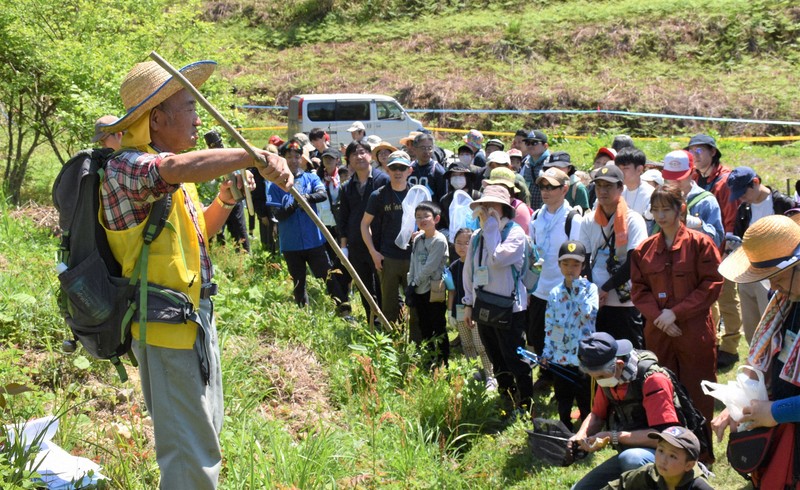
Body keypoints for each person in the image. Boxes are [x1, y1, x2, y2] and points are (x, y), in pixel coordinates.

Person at [97, 59, 292, 489]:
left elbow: (196, 233)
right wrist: (252, 156)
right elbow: (172, 169)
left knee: (204, 436)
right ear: (158, 119)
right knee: (190, 455)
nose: (198, 116)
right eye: (190, 106)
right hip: (164, 328)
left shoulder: (172, 175)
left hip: (194, 322)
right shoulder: (128, 166)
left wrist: (223, 200)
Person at [711, 213, 800, 488]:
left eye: (777, 277)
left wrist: (776, 411)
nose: (772, 287)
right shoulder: (785, 301)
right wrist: (740, 400)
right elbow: (766, 359)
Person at [630, 184, 723, 440]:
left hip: (693, 331)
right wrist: (660, 318)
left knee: (698, 390)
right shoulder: (644, 250)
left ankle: (701, 451)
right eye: (655, 210)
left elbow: (712, 284)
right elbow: (638, 289)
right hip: (658, 331)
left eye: (666, 209)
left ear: (680, 209)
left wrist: (676, 313)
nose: (661, 216)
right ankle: (667, 445)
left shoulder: (700, 244)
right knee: (662, 390)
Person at [569, 333, 681, 489]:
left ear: (619, 365)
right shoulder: (609, 378)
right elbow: (596, 415)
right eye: (594, 377)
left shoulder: (653, 380)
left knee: (632, 458)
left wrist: (613, 436)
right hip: (630, 453)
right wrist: (580, 436)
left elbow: (663, 437)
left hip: (665, 456)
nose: (599, 381)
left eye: (601, 376)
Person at [463, 185, 533, 416]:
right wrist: (468, 303)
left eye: (492, 205)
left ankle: (525, 402)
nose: (486, 210)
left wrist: (492, 227)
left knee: (514, 356)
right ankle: (507, 395)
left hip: (510, 307)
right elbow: (469, 272)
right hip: (484, 305)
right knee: (494, 354)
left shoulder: (514, 233)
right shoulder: (477, 236)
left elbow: (498, 259)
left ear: (503, 208)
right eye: (484, 205)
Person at [268, 139, 349, 313]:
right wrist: (295, 205)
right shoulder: (274, 184)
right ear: (283, 159)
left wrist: (306, 198)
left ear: (302, 159)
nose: (293, 160)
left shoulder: (310, 178)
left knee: (327, 275)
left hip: (314, 241)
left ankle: (343, 308)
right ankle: (303, 314)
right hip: (291, 244)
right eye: (289, 157)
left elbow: (321, 194)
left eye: (297, 157)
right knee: (299, 281)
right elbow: (277, 214)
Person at [686, 133, 742, 369]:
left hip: (723, 249)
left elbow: (729, 220)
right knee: (709, 300)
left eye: (700, 151)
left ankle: (730, 346)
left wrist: (726, 252)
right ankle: (714, 341)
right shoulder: (695, 178)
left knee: (727, 298)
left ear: (713, 152)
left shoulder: (725, 180)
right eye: (692, 151)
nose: (695, 156)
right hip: (701, 251)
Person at [728, 166, 798, 345]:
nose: (742, 198)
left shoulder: (783, 203)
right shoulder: (744, 209)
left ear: (756, 182)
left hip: (777, 274)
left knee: (773, 322)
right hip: (750, 270)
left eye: (743, 192)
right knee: (752, 324)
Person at [580, 164, 648, 348]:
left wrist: (605, 288)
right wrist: (594, 290)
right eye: (599, 185)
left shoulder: (634, 220)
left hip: (624, 301)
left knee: (628, 355)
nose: (602, 191)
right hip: (596, 301)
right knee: (597, 356)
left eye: (608, 186)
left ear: (620, 188)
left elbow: (634, 262)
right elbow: (584, 260)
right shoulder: (588, 220)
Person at [528, 167, 583, 386]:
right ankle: (545, 371)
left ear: (565, 189)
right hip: (539, 286)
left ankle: (559, 376)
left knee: (560, 333)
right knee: (538, 333)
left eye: (552, 187)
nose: (546, 191)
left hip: (562, 287)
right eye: (543, 186)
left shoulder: (573, 218)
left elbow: (579, 256)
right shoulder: (537, 215)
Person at [543, 240, 597, 430]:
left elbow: (588, 314)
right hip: (560, 357)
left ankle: (587, 432)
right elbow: (550, 326)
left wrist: (578, 290)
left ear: (583, 266)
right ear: (559, 265)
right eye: (565, 264)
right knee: (563, 396)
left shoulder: (590, 289)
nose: (570, 269)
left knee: (585, 398)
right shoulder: (555, 293)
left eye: (575, 264)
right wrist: (547, 352)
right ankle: (564, 428)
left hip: (583, 357)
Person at [337, 140, 389, 321]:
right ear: (348, 160)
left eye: (362, 152)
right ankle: (371, 321)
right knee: (364, 286)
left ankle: (388, 322)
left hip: (379, 243)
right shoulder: (346, 187)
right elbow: (343, 218)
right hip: (357, 244)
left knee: (383, 285)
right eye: (354, 154)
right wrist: (344, 247)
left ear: (370, 155)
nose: (359, 157)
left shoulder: (383, 181)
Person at [362, 151, 414, 330]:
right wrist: (373, 253)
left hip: (414, 258)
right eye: (393, 167)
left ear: (410, 170)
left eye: (402, 167)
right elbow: (364, 225)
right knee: (389, 306)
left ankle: (415, 344)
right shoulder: (378, 195)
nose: (397, 171)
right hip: (388, 257)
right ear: (387, 169)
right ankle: (390, 343)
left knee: (415, 305)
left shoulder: (417, 194)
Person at [448, 227, 495, 389]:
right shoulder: (454, 267)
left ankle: (491, 375)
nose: (462, 247)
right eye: (458, 243)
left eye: (467, 243)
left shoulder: (479, 264)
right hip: (459, 310)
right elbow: (452, 291)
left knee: (480, 344)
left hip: (476, 311)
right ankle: (474, 371)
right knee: (467, 344)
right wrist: (450, 312)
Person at [603, 426, 714, 490]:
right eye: (660, 451)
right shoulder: (648, 474)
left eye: (672, 456)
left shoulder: (698, 487)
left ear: (689, 465)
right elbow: (618, 486)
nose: (663, 460)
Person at [407, 201, 450, 367]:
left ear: (436, 219)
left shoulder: (439, 240)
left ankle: (442, 360)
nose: (422, 219)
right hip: (417, 289)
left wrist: (414, 283)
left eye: (426, 216)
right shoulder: (418, 239)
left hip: (433, 289)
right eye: (418, 217)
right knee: (423, 324)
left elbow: (430, 267)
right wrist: (410, 282)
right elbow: (413, 263)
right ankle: (429, 357)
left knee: (438, 325)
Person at [661, 150, 724, 248]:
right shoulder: (659, 197)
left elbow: (717, 241)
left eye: (681, 177)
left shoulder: (706, 201)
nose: (675, 181)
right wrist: (648, 219)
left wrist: (699, 225)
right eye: (671, 177)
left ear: (693, 172)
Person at [483, 165, 532, 234]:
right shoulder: (487, 204)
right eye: (494, 185)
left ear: (510, 189)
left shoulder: (519, 209)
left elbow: (516, 239)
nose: (497, 189)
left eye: (501, 186)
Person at [616, 147, 653, 228]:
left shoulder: (651, 194)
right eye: (619, 168)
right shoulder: (617, 192)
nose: (620, 172)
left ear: (639, 169)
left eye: (625, 168)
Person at [408, 133, 446, 202]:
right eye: (423, 148)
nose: (426, 151)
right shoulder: (409, 168)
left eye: (429, 148)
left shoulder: (437, 170)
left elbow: (442, 198)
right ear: (414, 149)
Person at [521, 129, 550, 211]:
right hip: (529, 209)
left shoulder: (550, 163)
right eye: (527, 143)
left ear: (545, 146)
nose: (530, 146)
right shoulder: (526, 163)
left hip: (546, 210)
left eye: (534, 143)